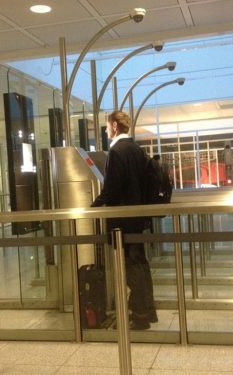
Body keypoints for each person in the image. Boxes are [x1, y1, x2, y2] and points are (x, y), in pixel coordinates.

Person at [92, 110, 157, 330]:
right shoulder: (136, 149)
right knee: (140, 264)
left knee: (131, 267)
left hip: (123, 220)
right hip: (138, 218)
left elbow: (111, 189)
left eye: (107, 125)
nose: (106, 129)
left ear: (115, 126)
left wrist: (94, 205)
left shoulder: (117, 151)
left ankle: (139, 314)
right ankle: (146, 312)